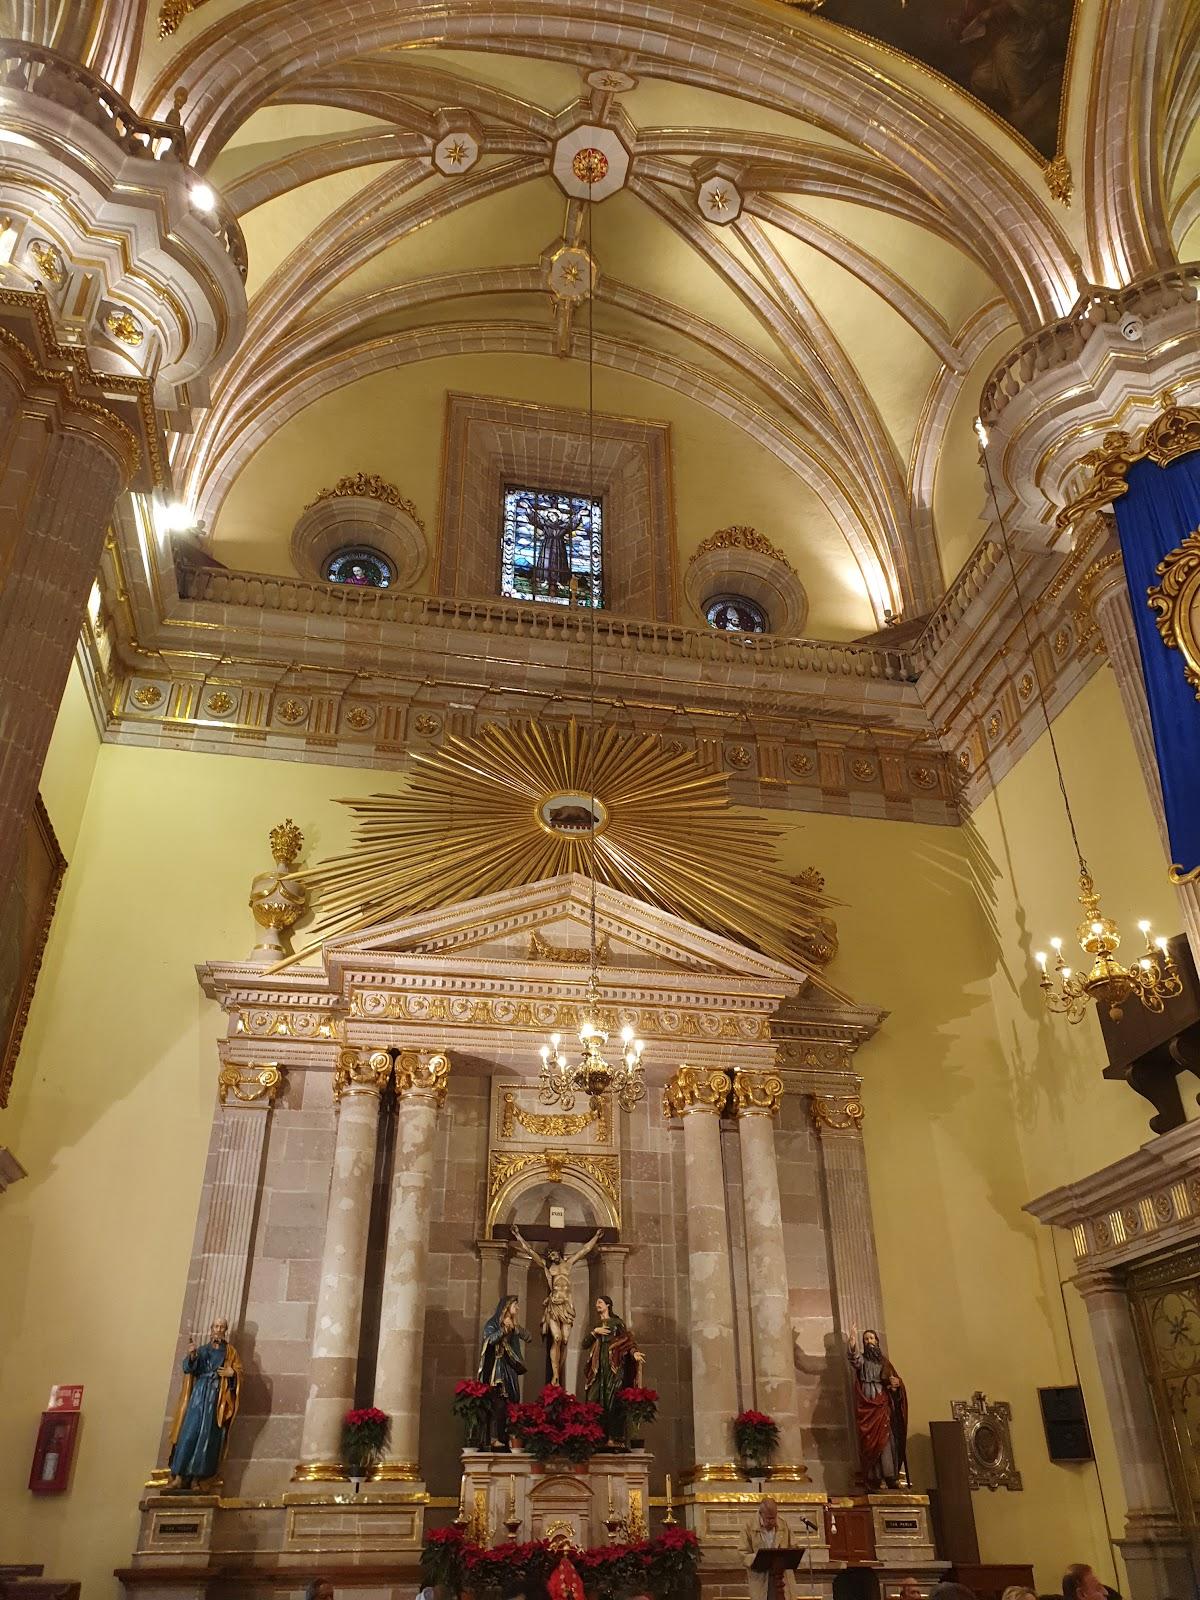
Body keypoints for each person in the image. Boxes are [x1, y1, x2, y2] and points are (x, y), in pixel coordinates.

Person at [511, 1224, 601, 1385]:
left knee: (565, 1340)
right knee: (557, 1338)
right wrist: (518, 1237)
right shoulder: (548, 1268)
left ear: (558, 1253)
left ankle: (558, 1370)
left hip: (566, 1306)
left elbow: (584, 1251)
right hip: (554, 1306)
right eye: (550, 1255)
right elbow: (531, 1252)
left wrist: (595, 1238)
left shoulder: (568, 1264)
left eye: (554, 1254)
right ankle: (555, 1376)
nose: (553, 1257)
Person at [166, 1317, 242, 1491]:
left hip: (216, 1399)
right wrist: (192, 1356)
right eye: (216, 1326)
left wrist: (233, 1374)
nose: (218, 1330)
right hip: (199, 1396)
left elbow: (238, 1371)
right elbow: (189, 1368)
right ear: (211, 1329)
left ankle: (197, 1479)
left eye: (222, 1327)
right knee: (189, 1433)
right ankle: (179, 1475)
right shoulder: (201, 1350)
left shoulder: (230, 1353)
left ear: (225, 1330)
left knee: (207, 1438)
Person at [847, 1324, 907, 1489]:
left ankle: (890, 1476)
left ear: (877, 1341)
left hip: (882, 1404)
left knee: (887, 1440)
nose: (868, 1341)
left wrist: (896, 1385)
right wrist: (852, 1342)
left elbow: (894, 1383)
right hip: (868, 1403)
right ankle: (875, 1477)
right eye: (865, 1339)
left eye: (871, 1338)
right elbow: (854, 1359)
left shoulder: (885, 1363)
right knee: (870, 1441)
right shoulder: (863, 1361)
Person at [581, 1294, 643, 1445]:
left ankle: (614, 1437)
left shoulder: (616, 1323)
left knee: (613, 1400)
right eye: (597, 1302)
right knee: (593, 1400)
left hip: (614, 1370)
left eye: (600, 1302)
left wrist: (634, 1353)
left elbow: (628, 1341)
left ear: (608, 1305)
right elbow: (585, 1344)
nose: (598, 1305)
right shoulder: (597, 1326)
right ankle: (597, 1436)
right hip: (598, 1371)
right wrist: (594, 1332)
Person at [478, 1295, 531, 1447]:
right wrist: (503, 1329)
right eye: (515, 1305)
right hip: (497, 1367)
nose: (518, 1308)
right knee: (498, 1403)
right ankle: (495, 1438)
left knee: (512, 1402)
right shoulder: (492, 1324)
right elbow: (490, 1341)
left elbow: (529, 1337)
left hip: (510, 1368)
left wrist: (514, 1328)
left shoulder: (514, 1326)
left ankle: (509, 1437)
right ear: (507, 1307)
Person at [742, 1496, 796, 1600]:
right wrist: (759, 1558)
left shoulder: (783, 1524)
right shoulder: (749, 1526)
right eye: (769, 1518)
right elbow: (742, 1553)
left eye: (774, 1517)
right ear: (761, 1514)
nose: (772, 1521)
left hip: (782, 1577)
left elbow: (793, 1547)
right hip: (761, 1578)